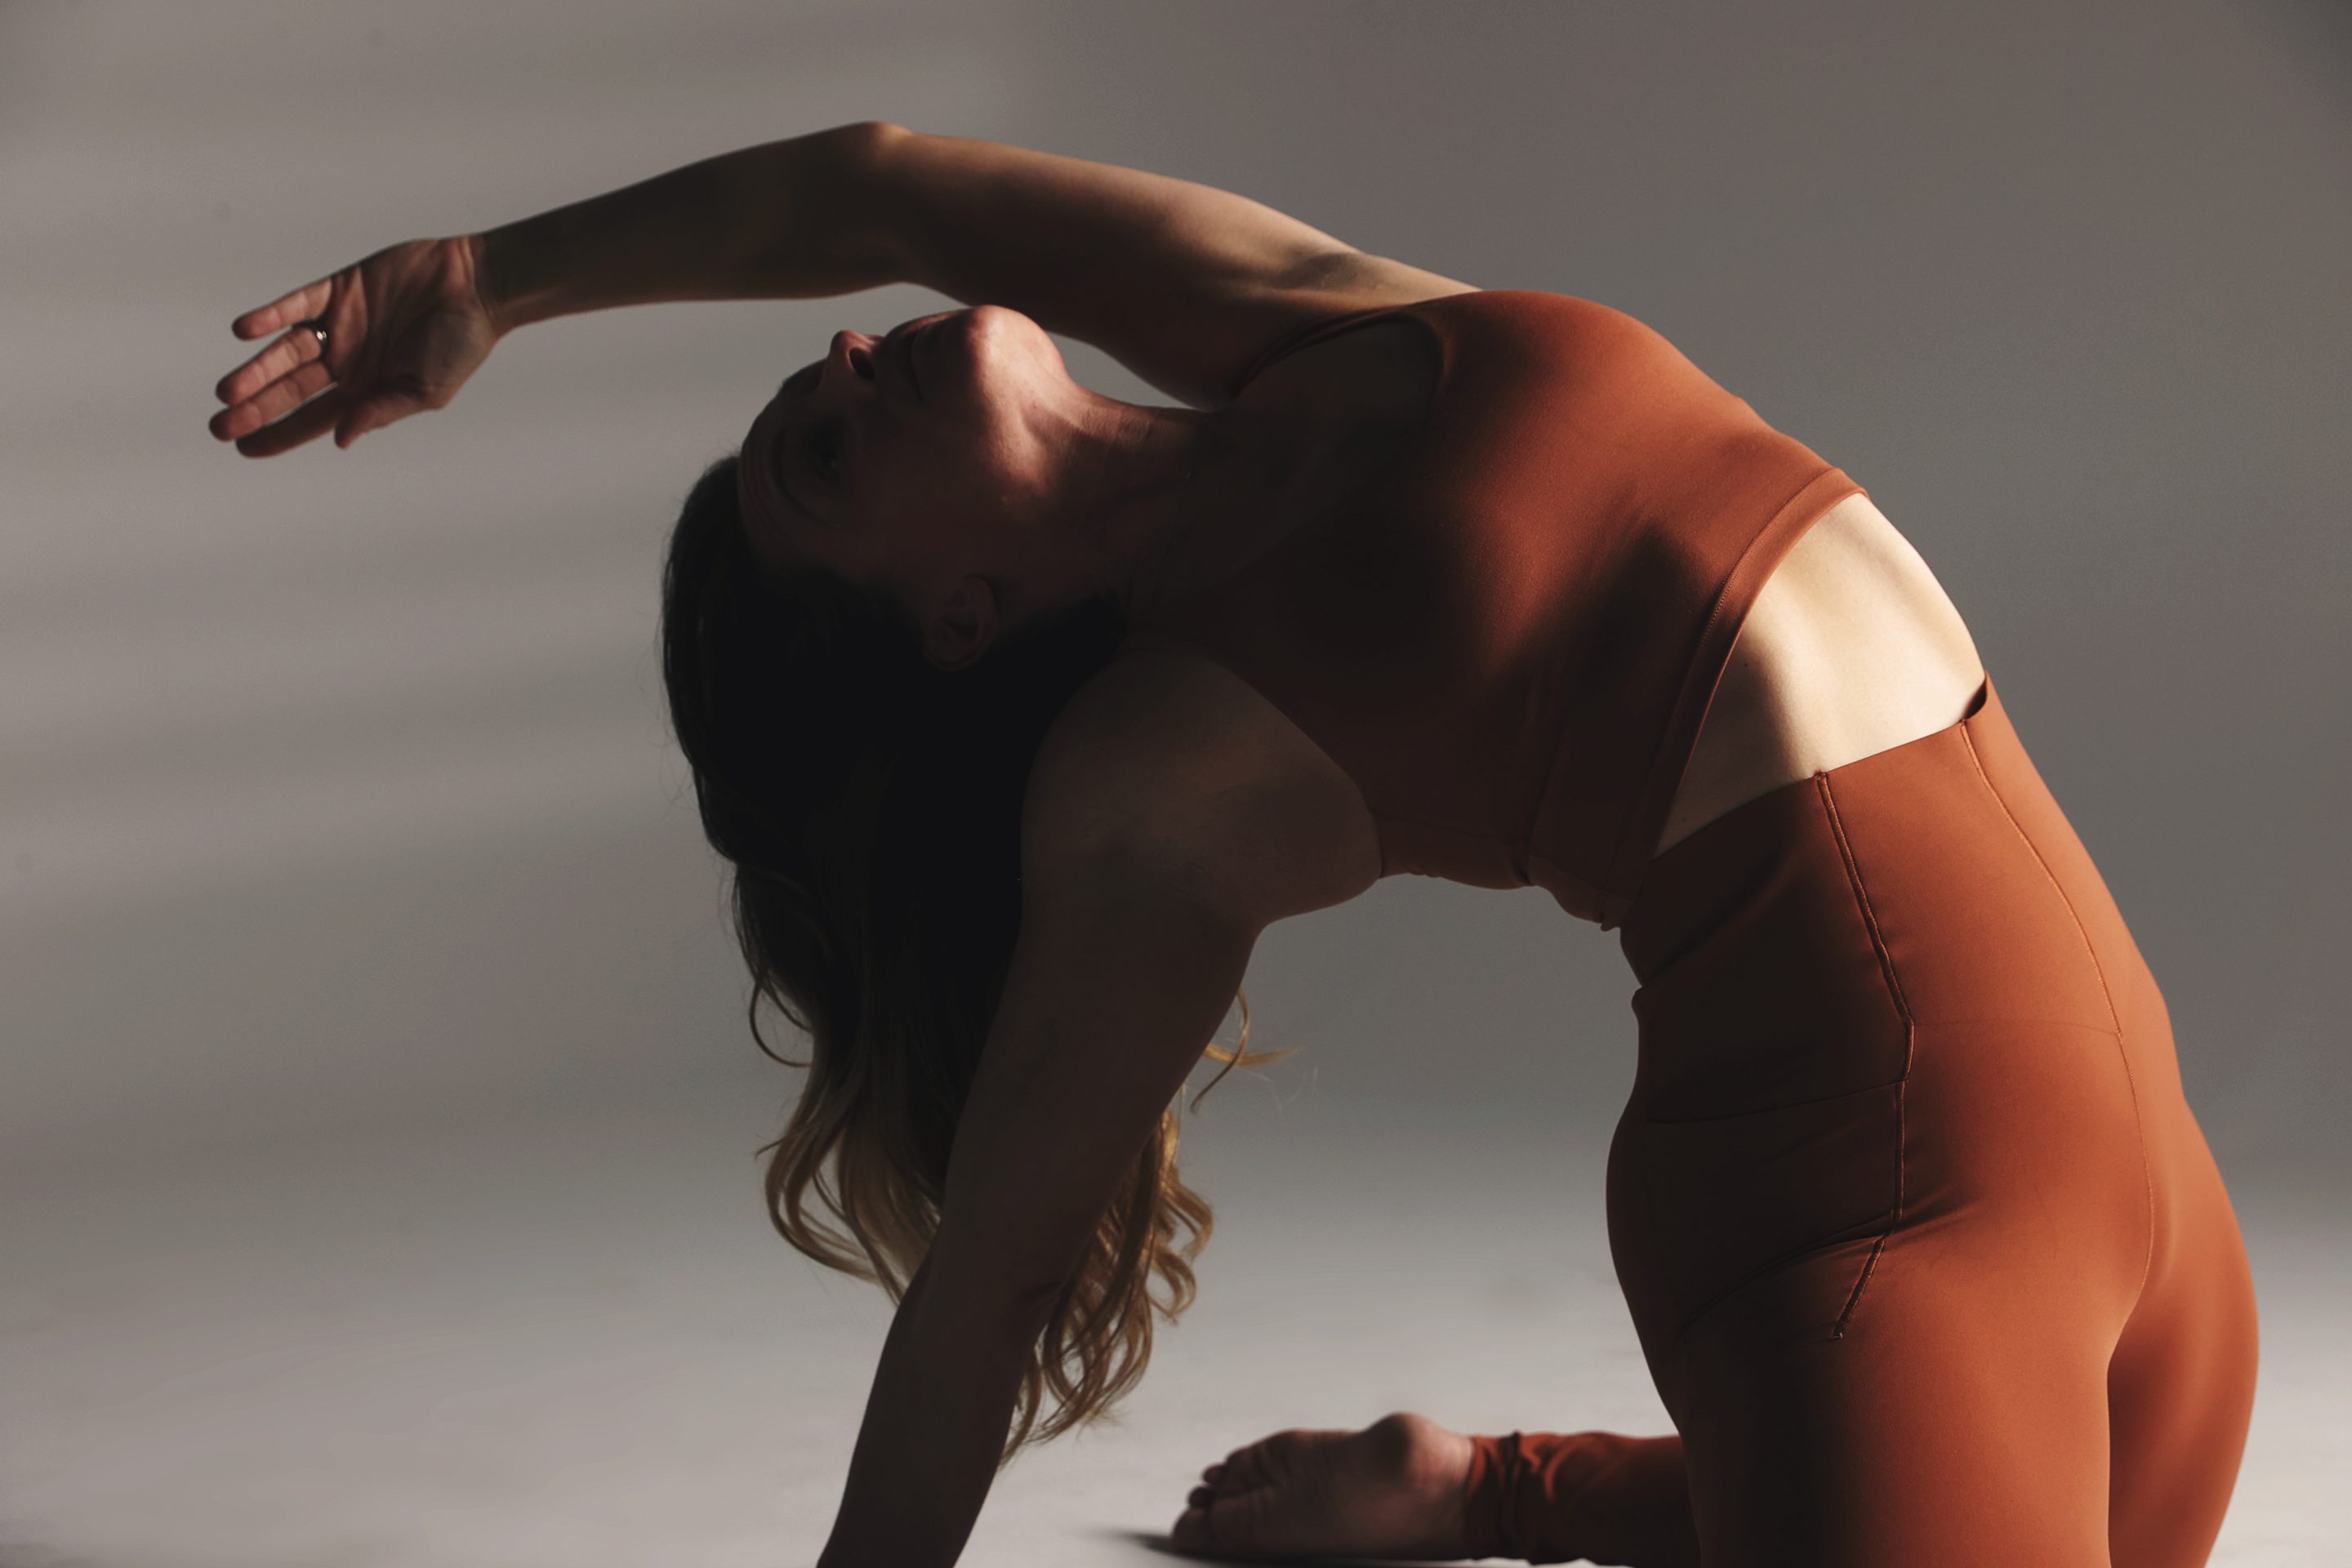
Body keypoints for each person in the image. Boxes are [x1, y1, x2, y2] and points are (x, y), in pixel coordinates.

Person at [207, 122, 2258, 1567]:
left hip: (2146, 1159)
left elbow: (872, 184)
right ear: (951, 621)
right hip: (1874, 1212)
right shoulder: (1159, 773)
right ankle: (1518, 1496)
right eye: (824, 462)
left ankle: (1489, 1488)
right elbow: (985, 1297)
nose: (850, 356)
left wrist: (490, 278)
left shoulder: (1296, 334)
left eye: (807, 380)